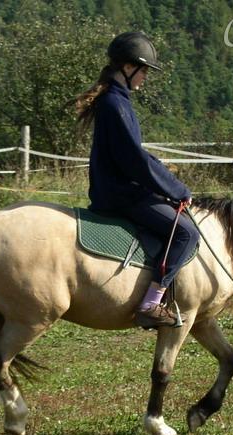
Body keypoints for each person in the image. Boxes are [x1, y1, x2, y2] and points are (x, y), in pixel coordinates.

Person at [76, 32, 199, 329]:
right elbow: (133, 160)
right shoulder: (115, 104)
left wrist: (164, 177)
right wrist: (177, 189)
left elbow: (137, 154)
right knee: (186, 234)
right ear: (128, 68)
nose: (145, 77)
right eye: (144, 70)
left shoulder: (115, 100)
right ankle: (150, 304)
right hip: (122, 194)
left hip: (116, 188)